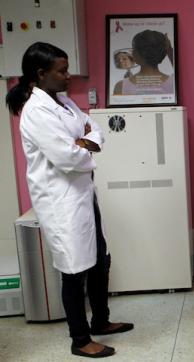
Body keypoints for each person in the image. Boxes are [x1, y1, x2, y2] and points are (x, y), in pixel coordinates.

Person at [6, 42, 134, 358]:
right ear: (40, 74)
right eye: (62, 71)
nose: (68, 77)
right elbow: (68, 157)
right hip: (61, 201)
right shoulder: (36, 112)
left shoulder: (62, 102)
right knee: (74, 270)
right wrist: (81, 144)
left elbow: (96, 129)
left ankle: (100, 321)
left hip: (83, 195)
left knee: (99, 261)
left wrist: (85, 141)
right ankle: (80, 339)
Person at [113, 30, 174, 95]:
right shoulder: (173, 83)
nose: (132, 52)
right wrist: (170, 52)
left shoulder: (121, 87)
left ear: (137, 53)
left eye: (133, 48)